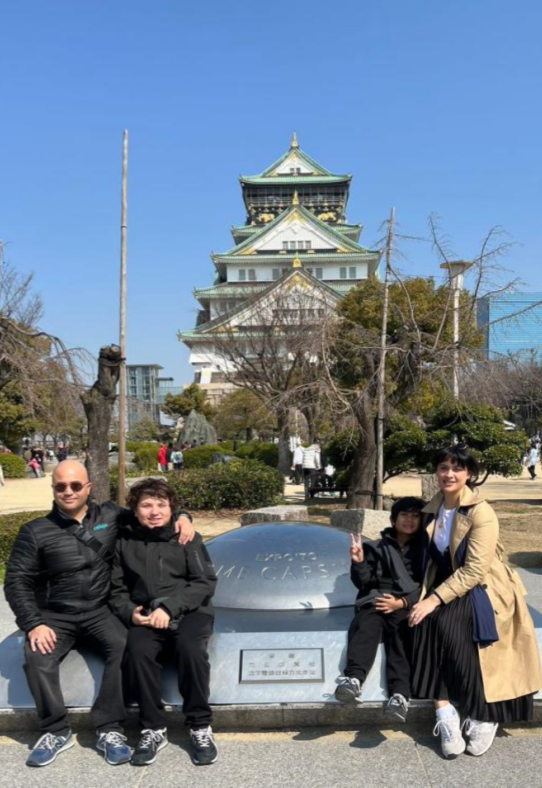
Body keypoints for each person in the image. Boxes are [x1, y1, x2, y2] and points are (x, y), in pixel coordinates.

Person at [4, 460, 195, 768]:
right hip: (55, 615)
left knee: (123, 646)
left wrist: (184, 517)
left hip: (100, 611)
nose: (68, 491)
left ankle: (109, 729)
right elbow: (16, 581)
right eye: (61, 486)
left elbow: (152, 509)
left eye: (76, 485)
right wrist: (34, 623)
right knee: (38, 658)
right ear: (52, 489)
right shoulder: (36, 531)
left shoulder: (110, 516)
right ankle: (55, 730)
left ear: (88, 488)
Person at [409, 445, 542, 759]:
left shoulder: (481, 512)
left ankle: (484, 714)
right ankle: (445, 712)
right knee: (419, 622)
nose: (449, 474)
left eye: (457, 468)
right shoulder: (434, 507)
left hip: (483, 587)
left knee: (448, 623)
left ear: (469, 474)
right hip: (446, 582)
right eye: (443, 468)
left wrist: (434, 600)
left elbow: (474, 570)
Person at [109, 478, 218, 767]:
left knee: (190, 650)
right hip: (146, 615)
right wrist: (130, 612)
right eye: (146, 505)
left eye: (161, 505)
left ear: (172, 509)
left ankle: (199, 725)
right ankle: (153, 728)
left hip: (190, 611)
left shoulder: (187, 537)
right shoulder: (124, 542)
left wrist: (170, 608)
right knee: (137, 651)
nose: (154, 511)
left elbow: (204, 582)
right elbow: (116, 590)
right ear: (134, 510)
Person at [335, 497, 425, 721]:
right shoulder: (375, 547)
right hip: (375, 599)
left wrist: (402, 603)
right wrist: (358, 562)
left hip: (405, 602)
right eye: (404, 515)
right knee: (366, 625)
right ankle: (354, 680)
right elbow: (364, 583)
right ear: (394, 519)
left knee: (401, 633)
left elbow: (428, 584)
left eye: (415, 515)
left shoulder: (426, 550)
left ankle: (400, 695)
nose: (409, 520)